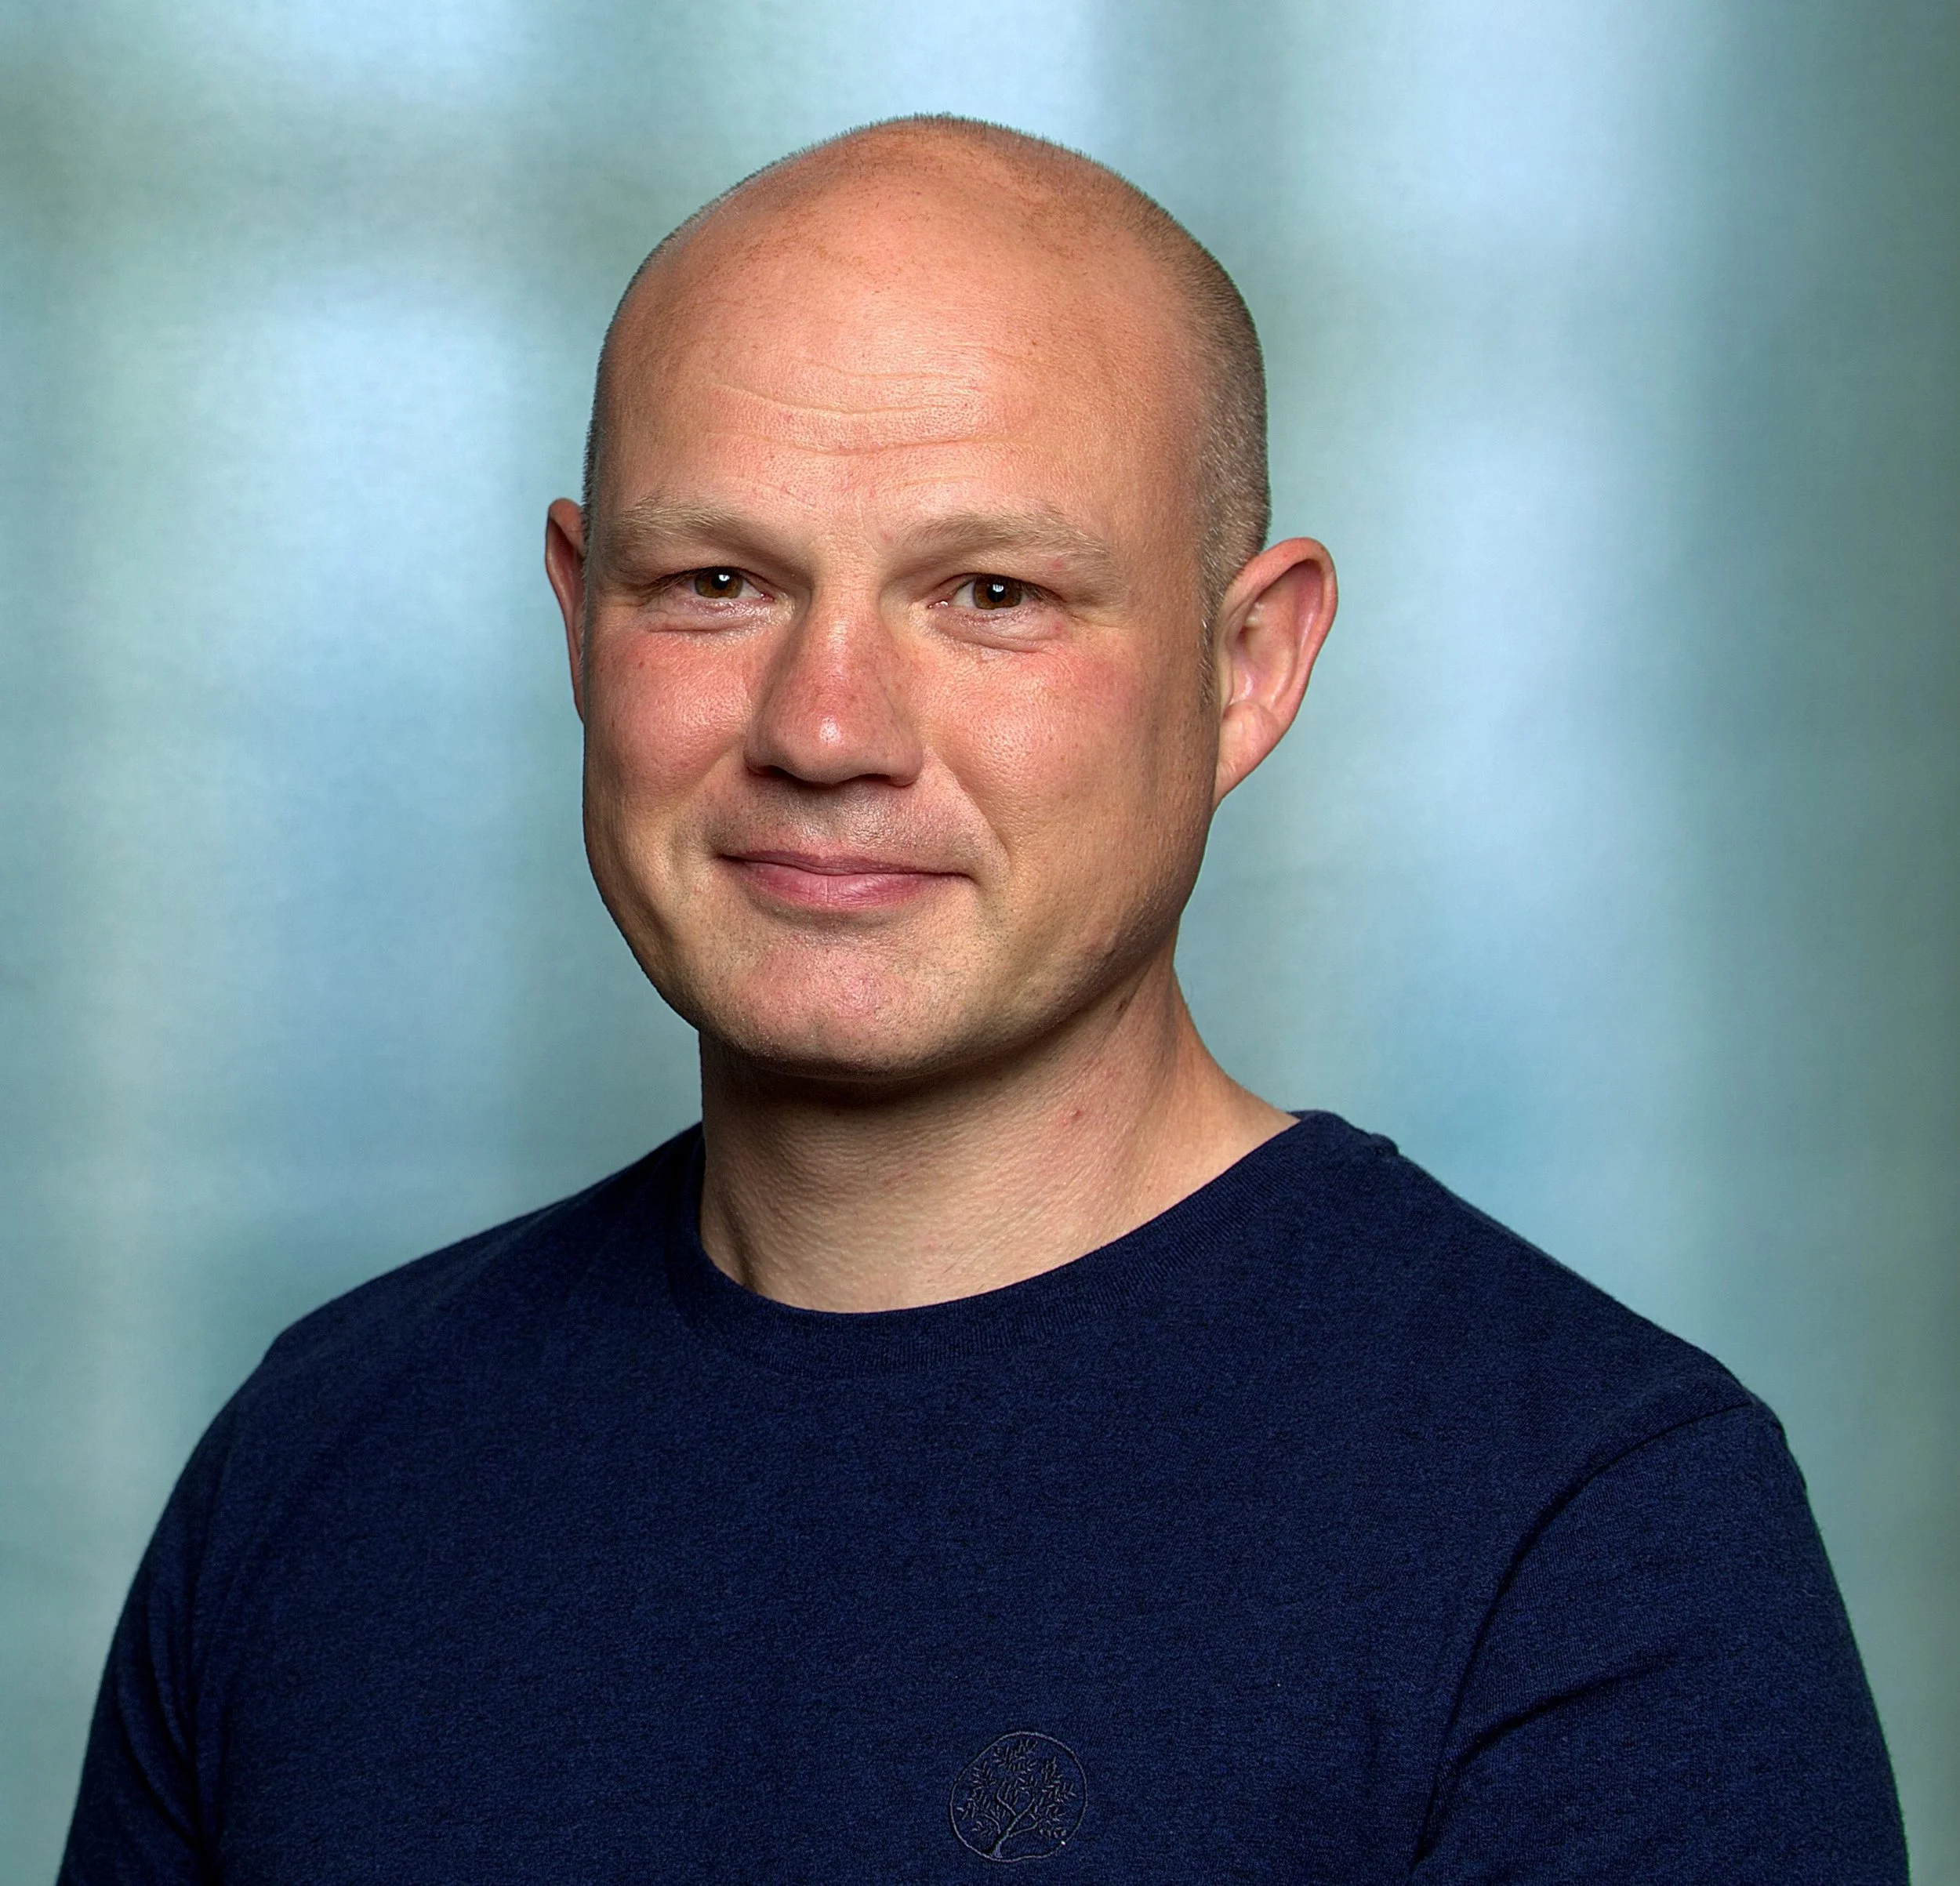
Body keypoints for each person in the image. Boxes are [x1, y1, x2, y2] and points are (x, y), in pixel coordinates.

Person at [61, 116, 1904, 1883]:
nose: (825, 728)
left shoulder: (1591, 1535)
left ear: (1247, 668)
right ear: (572, 616)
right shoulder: (320, 1463)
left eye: (992, 593)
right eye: (713, 583)